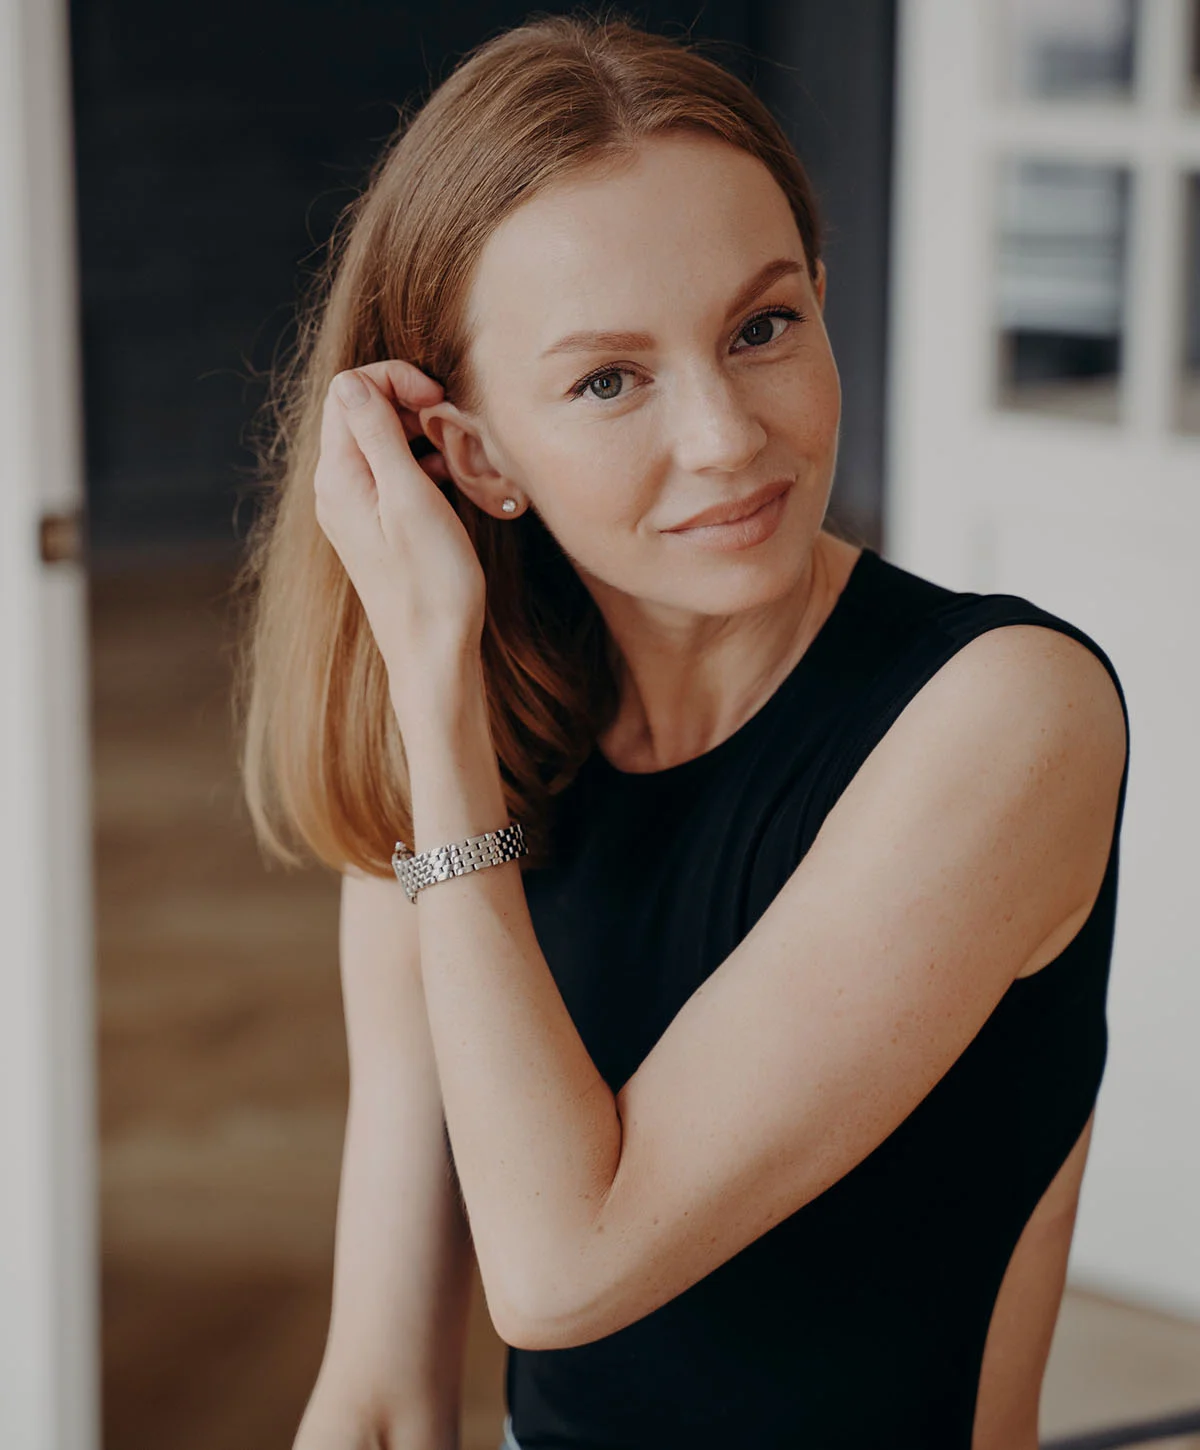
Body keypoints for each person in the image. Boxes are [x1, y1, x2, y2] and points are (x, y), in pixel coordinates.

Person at [238, 14, 1130, 1450]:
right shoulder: (467, 749)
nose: (725, 435)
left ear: (822, 303)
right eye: (609, 378)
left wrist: (430, 690)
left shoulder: (1008, 713)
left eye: (761, 327)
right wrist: (437, 706)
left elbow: (563, 1268)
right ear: (473, 455)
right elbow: (384, 1395)